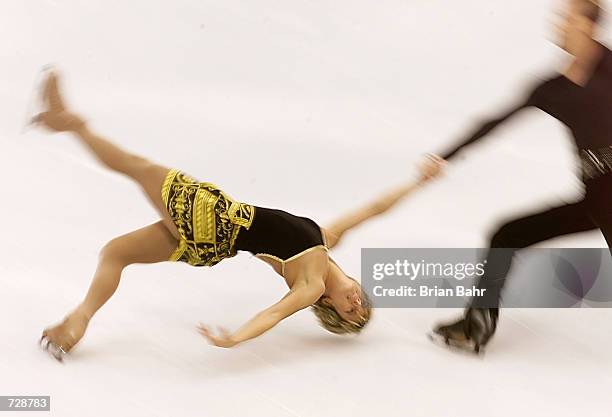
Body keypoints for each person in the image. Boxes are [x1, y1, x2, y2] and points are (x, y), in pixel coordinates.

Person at [33, 70, 428, 360]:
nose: (357, 304)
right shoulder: (327, 240)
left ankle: (69, 123)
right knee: (116, 252)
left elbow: (273, 314)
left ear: (327, 305)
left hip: (214, 222)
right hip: (211, 241)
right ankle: (77, 321)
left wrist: (236, 338)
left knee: (138, 167)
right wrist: (418, 182)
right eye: (362, 306)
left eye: (350, 312)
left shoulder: (309, 283)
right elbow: (375, 208)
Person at [423, 0, 612, 353]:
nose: (558, 24)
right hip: (596, 196)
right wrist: (444, 156)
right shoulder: (553, 88)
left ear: (588, 26)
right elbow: (495, 121)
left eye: (567, 18)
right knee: (508, 234)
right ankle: (477, 322)